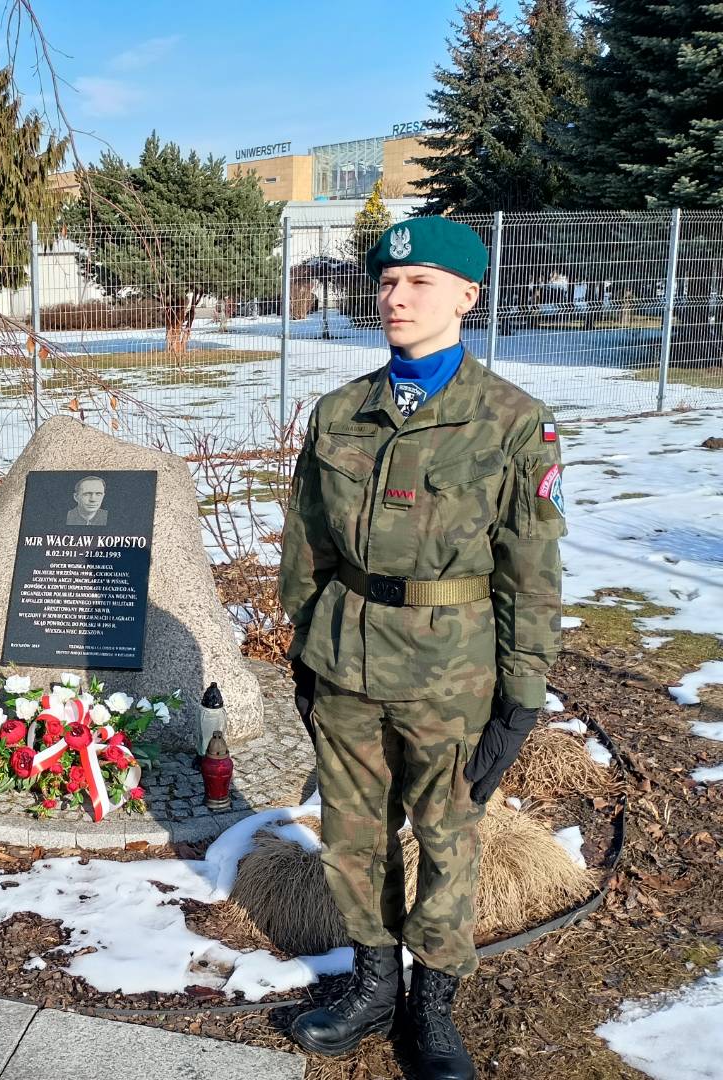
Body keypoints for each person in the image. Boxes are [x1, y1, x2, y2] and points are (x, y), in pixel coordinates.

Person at [278, 217, 565, 1080]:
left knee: (447, 838)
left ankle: (432, 1003)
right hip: (347, 658)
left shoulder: (513, 421)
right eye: (387, 282)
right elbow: (306, 545)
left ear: (468, 296)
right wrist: (304, 645)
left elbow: (531, 570)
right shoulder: (341, 412)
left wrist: (523, 694)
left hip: (452, 670)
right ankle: (373, 986)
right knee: (351, 834)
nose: (396, 298)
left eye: (420, 283)